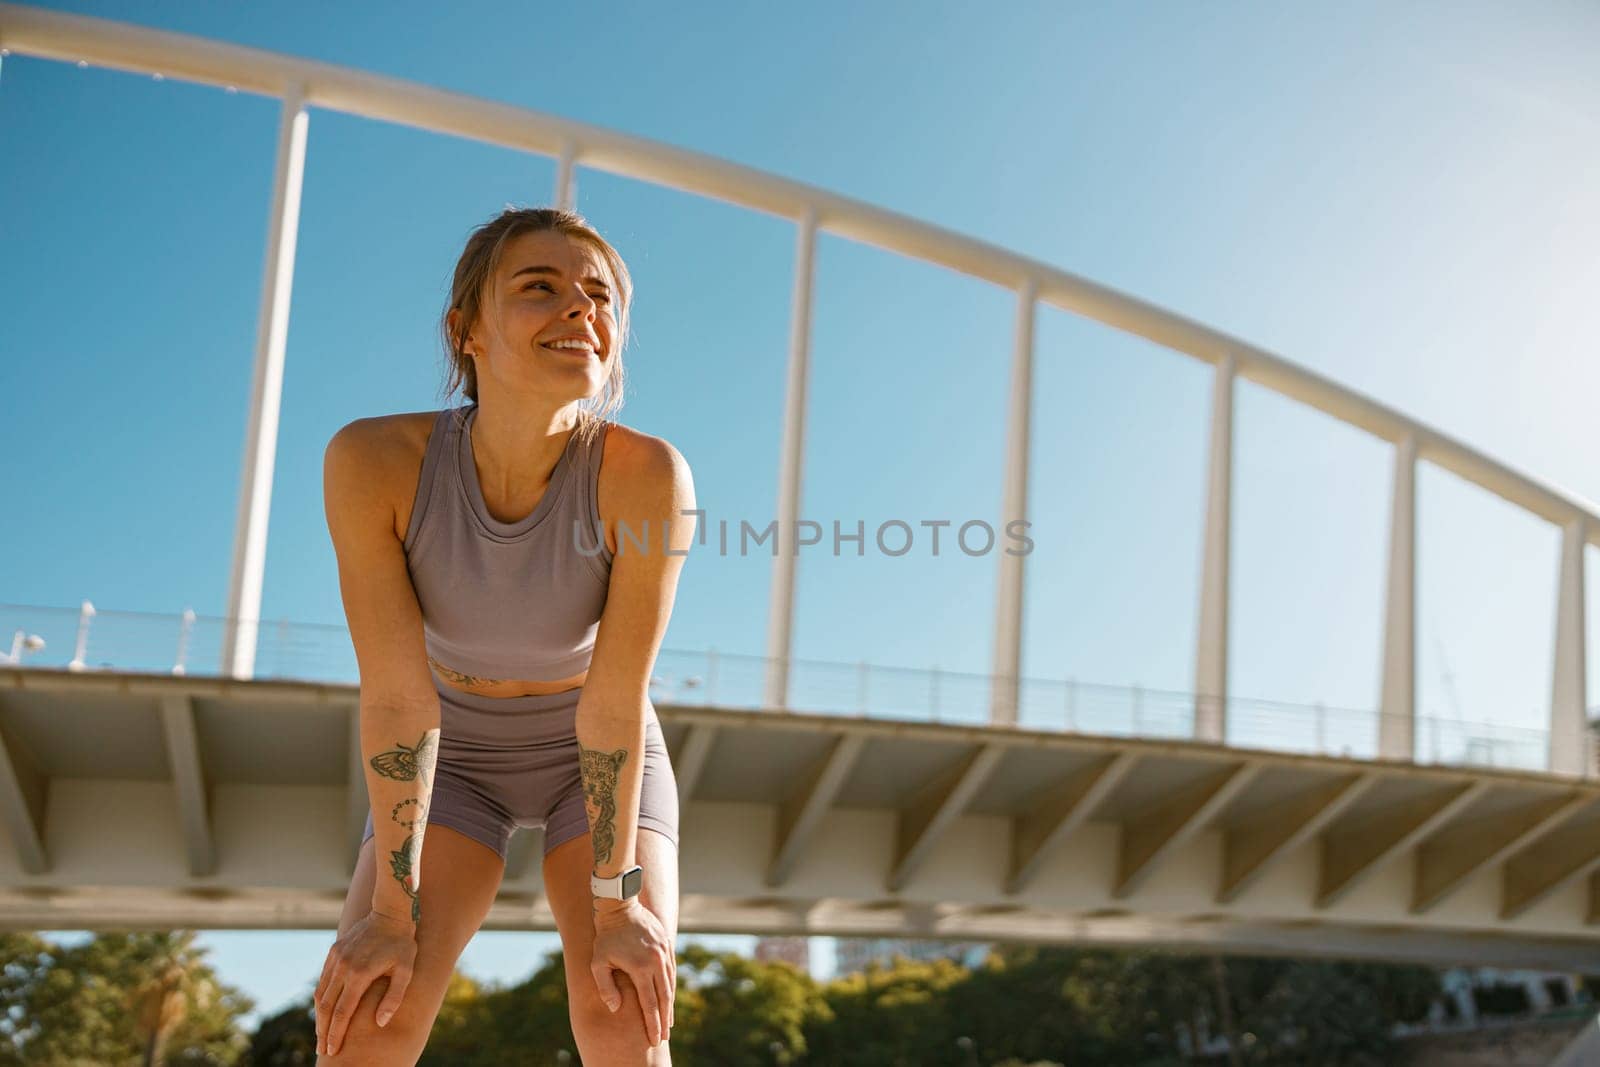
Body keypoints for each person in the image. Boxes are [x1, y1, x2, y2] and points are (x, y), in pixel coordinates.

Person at [313, 206, 696, 1064]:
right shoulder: (373, 463)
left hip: (589, 744)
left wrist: (616, 907)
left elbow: (616, 698)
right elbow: (399, 694)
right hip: (453, 757)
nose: (578, 309)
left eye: (599, 295)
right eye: (540, 287)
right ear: (466, 330)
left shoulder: (646, 478)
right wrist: (388, 912)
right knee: (373, 1009)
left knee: (621, 1011)